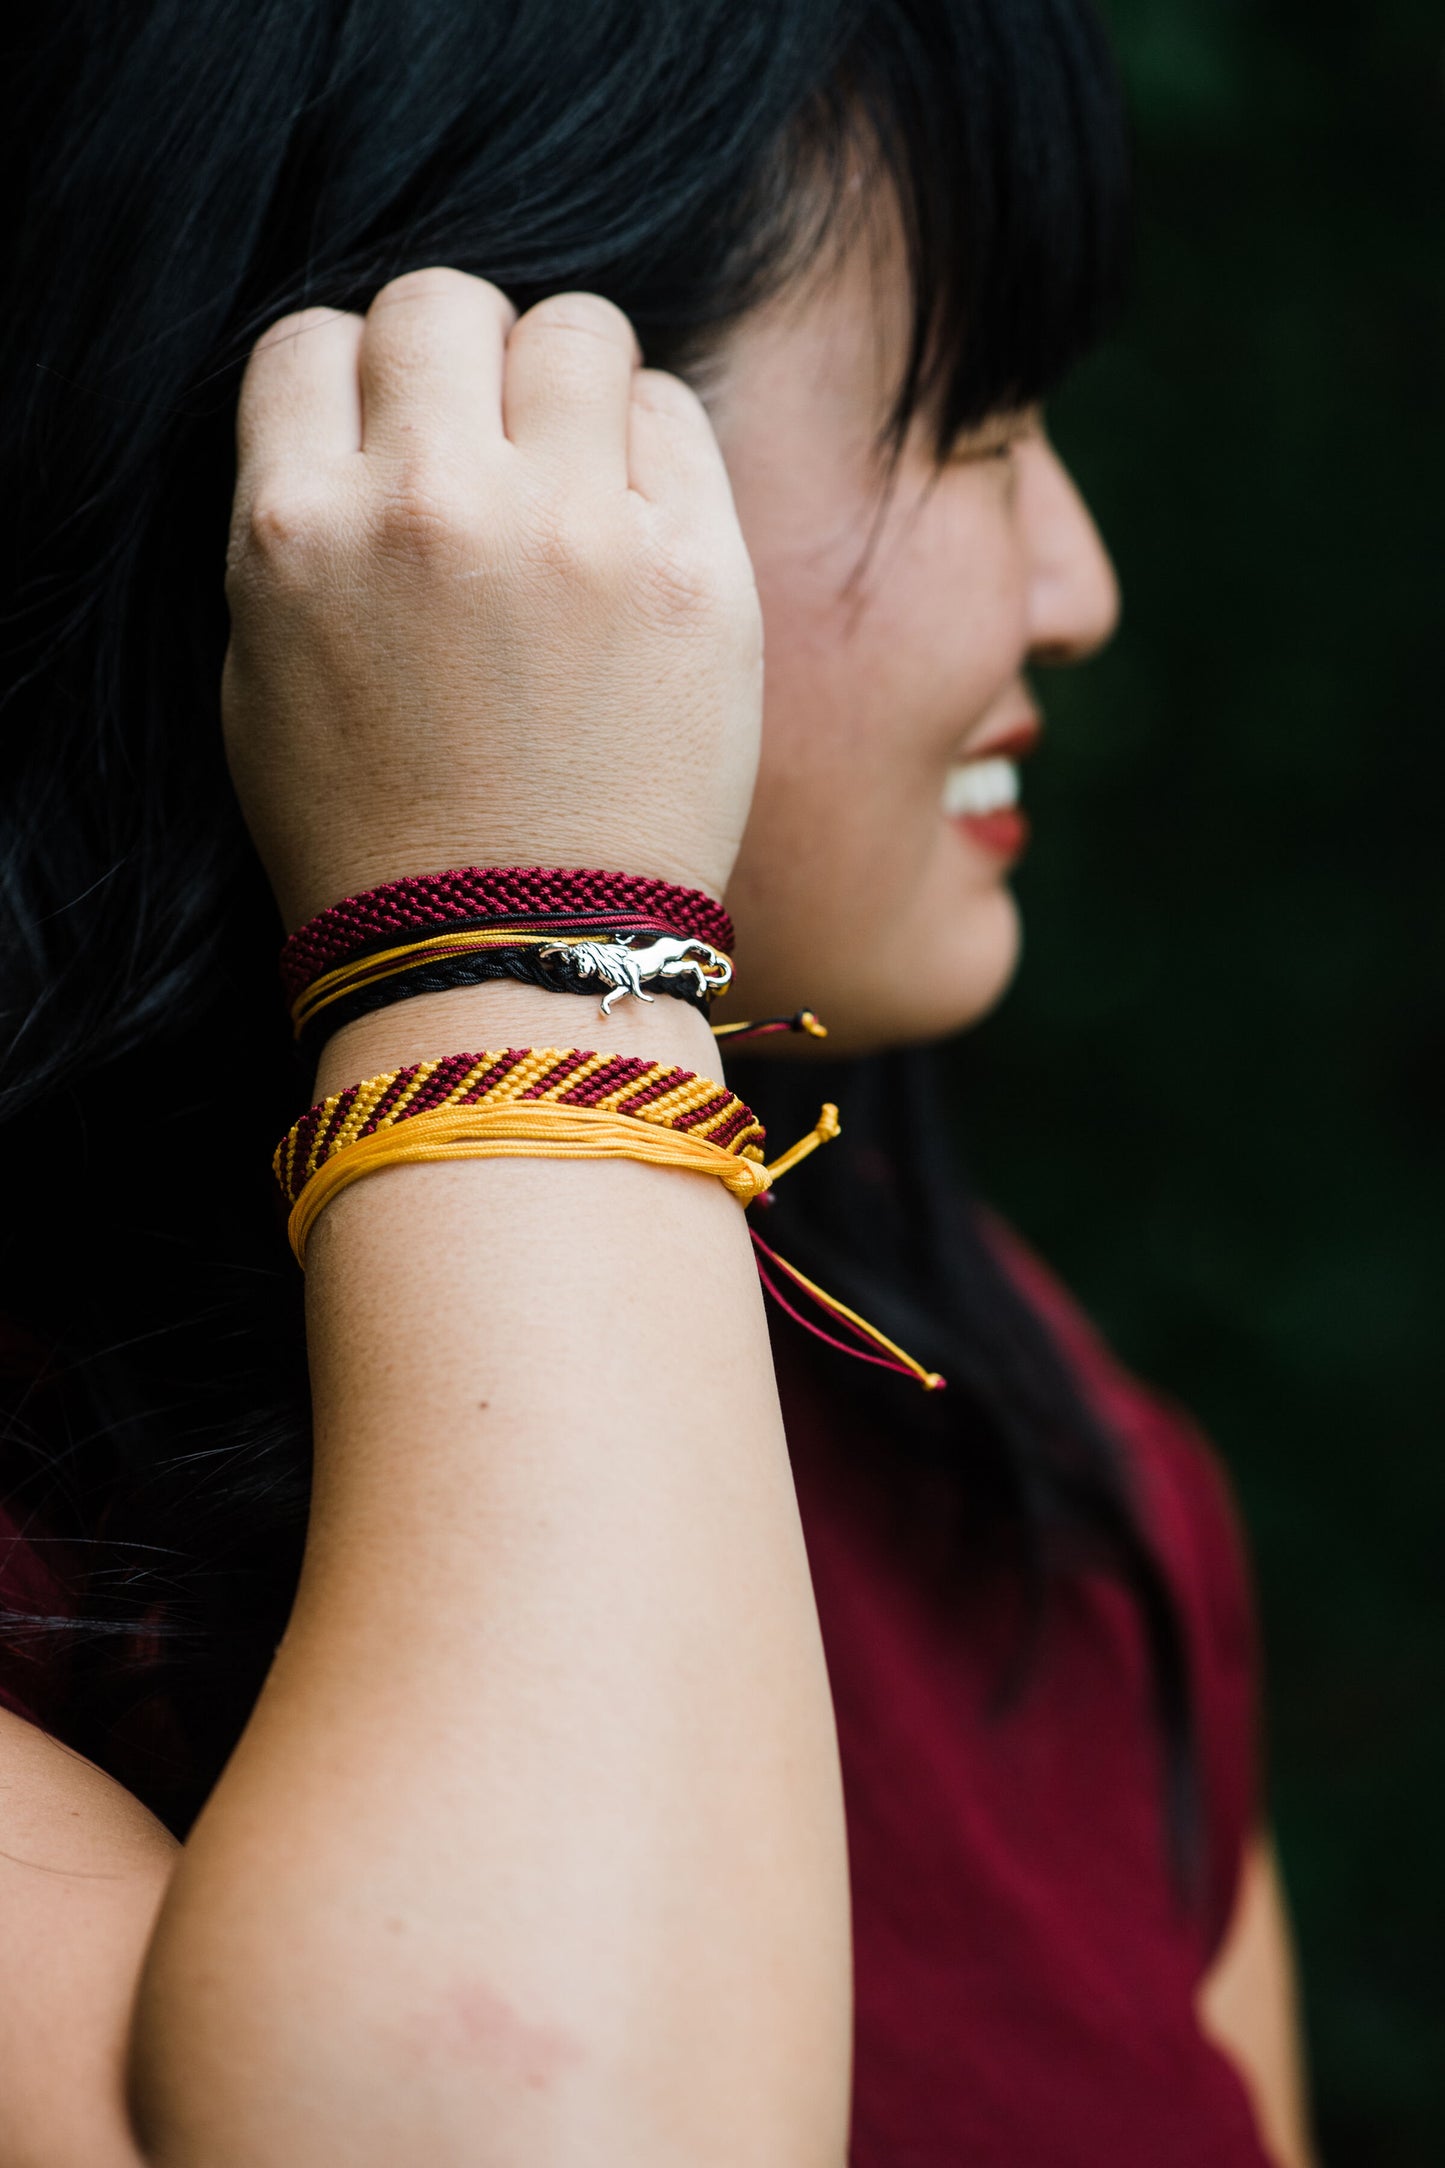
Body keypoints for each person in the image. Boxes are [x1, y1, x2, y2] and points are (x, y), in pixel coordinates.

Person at [0, 2, 1317, 2161]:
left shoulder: (1048, 1477)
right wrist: (510, 925)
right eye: (971, 429)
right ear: (451, 454)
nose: (1076, 586)